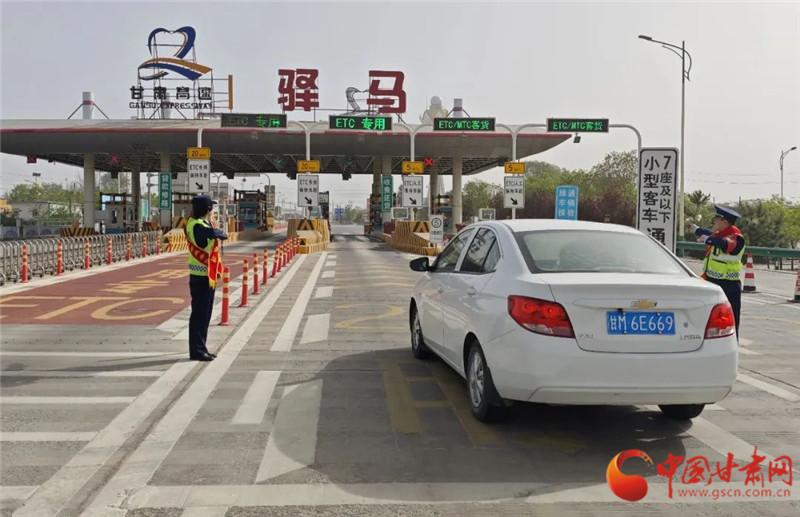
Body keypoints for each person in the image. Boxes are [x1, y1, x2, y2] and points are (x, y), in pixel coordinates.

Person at [691, 205, 746, 337]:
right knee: (709, 319)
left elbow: (725, 244)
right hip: (712, 281)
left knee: (731, 320)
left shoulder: (736, 237)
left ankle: (732, 344)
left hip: (729, 284)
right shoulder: (719, 234)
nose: (714, 222)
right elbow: (711, 234)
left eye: (716, 219)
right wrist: (697, 230)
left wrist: (707, 239)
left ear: (724, 222)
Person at [186, 195, 228, 361]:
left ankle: (201, 347)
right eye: (211, 208)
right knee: (200, 315)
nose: (212, 211)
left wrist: (214, 230)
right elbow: (205, 236)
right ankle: (197, 351)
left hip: (205, 276)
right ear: (207, 209)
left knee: (204, 315)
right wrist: (215, 232)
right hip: (201, 277)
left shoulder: (199, 223)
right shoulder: (197, 224)